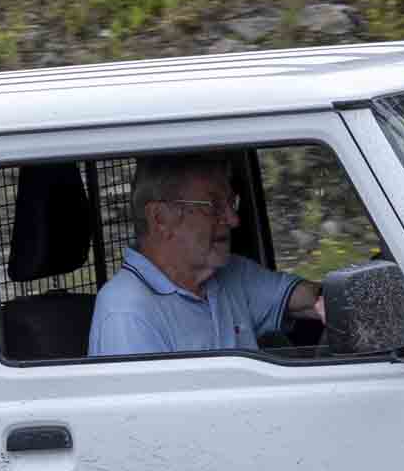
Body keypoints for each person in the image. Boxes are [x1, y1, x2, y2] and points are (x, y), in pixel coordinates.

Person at [89, 151, 325, 357]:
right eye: (213, 205)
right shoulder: (127, 312)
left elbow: (311, 301)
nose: (233, 220)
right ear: (161, 218)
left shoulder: (229, 274)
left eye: (232, 203)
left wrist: (347, 297)